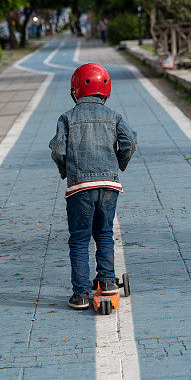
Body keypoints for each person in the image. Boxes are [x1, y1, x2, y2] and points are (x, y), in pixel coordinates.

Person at [49, 63, 137, 309]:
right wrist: (118, 164)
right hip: (109, 185)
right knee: (104, 233)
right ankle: (108, 281)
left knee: (79, 239)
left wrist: (67, 171)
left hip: (80, 187)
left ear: (75, 90)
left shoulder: (67, 118)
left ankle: (80, 294)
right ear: (105, 89)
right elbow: (129, 141)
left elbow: (57, 149)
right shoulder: (114, 116)